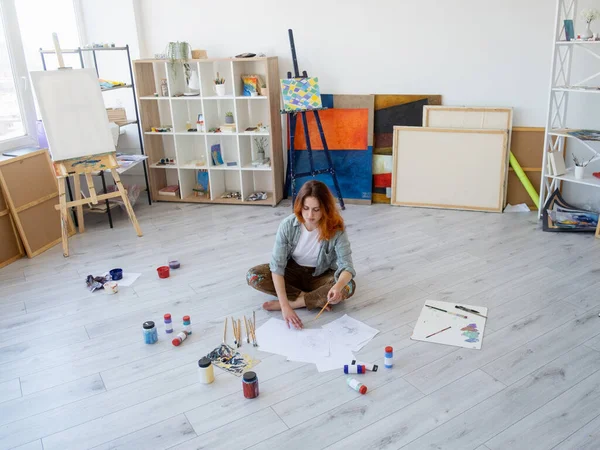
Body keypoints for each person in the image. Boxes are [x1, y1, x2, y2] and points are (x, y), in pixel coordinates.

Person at [246, 180, 356, 329]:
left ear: (325, 208)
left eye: (316, 209)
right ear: (299, 205)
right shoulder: (288, 225)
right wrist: (286, 308)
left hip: (320, 275)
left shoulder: (336, 229)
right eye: (306, 208)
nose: (310, 215)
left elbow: (347, 267)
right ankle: (313, 299)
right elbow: (277, 267)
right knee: (253, 276)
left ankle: (297, 301)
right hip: (292, 272)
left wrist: (337, 287)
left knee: (348, 286)